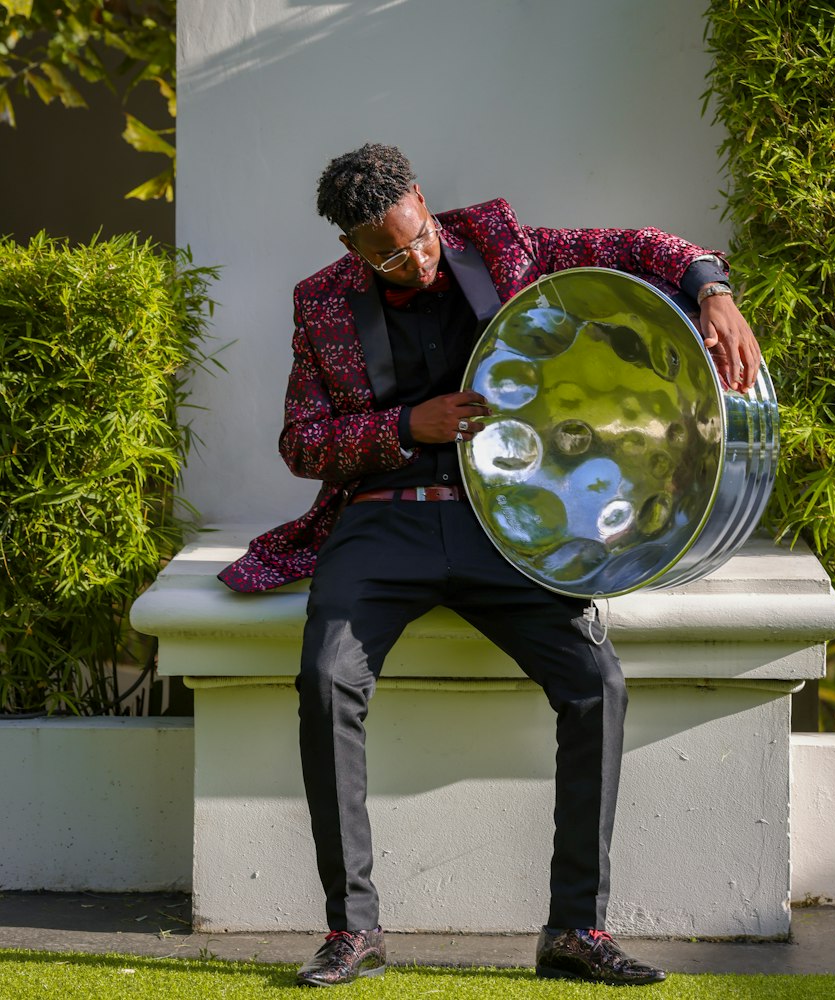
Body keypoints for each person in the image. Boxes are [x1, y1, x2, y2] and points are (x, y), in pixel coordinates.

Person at [219, 143, 761, 987]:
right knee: (327, 679)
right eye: (392, 254)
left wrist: (713, 291)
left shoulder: (503, 244)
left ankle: (575, 928)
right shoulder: (320, 305)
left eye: (421, 236)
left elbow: (643, 247)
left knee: (596, 683)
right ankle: (352, 930)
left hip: (504, 528)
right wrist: (408, 428)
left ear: (425, 203)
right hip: (380, 523)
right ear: (353, 251)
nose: (418, 258)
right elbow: (302, 442)